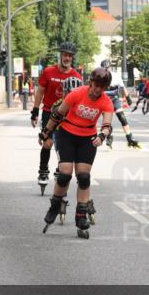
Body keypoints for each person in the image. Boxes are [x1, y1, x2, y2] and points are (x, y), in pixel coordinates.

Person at [39, 67, 115, 239]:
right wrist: (46, 132)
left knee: (83, 177)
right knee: (65, 174)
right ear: (90, 83)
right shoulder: (76, 94)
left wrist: (102, 136)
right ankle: (55, 204)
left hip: (87, 138)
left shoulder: (106, 101)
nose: (98, 90)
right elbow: (58, 114)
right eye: (96, 86)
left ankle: (81, 215)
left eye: (102, 87)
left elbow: (107, 124)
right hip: (67, 134)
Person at [30, 42, 84, 190]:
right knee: (47, 143)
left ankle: (60, 168)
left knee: (64, 144)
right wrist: (35, 111)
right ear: (60, 55)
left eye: (70, 56)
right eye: (65, 55)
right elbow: (40, 92)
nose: (67, 58)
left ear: (72, 58)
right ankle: (43, 170)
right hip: (49, 111)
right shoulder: (48, 72)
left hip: (66, 114)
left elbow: (80, 98)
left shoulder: (76, 76)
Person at [99, 59, 140, 149]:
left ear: (110, 67)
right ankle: (109, 136)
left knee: (122, 117)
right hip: (104, 101)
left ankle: (129, 137)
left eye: (107, 68)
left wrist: (128, 97)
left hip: (114, 99)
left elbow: (122, 87)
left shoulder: (116, 76)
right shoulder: (99, 76)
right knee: (107, 122)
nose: (106, 70)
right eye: (104, 68)